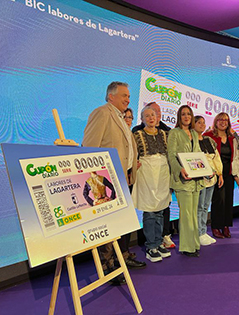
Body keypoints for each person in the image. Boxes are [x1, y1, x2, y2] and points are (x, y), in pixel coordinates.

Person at [82, 81, 146, 285]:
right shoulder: (102, 113)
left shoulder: (120, 117)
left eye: (128, 96)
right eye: (124, 95)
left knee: (120, 224)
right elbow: (89, 147)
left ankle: (122, 258)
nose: (128, 99)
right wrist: (98, 181)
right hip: (107, 181)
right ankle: (107, 266)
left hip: (125, 179)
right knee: (108, 225)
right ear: (111, 96)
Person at [132, 102, 175, 249]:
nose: (151, 118)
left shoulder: (165, 134)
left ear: (157, 118)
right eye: (147, 116)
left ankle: (159, 242)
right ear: (142, 119)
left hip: (162, 175)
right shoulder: (137, 135)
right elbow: (132, 154)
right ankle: (151, 245)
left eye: (153, 115)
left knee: (160, 211)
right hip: (146, 175)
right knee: (150, 212)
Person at [167, 105, 204, 257]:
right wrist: (179, 170)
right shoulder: (174, 133)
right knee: (186, 214)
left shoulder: (194, 133)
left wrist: (205, 170)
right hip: (183, 179)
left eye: (189, 114)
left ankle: (194, 244)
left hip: (195, 180)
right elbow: (171, 155)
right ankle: (187, 247)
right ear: (179, 116)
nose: (186, 116)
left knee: (193, 213)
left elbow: (197, 155)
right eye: (183, 114)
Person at [204, 113, 235, 238]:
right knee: (219, 200)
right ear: (216, 121)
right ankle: (216, 226)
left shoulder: (232, 137)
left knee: (228, 200)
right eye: (220, 120)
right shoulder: (208, 136)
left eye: (226, 120)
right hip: (216, 173)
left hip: (229, 173)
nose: (223, 122)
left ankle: (226, 226)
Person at [193, 116, 223, 246]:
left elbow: (216, 158)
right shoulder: (191, 141)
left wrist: (219, 174)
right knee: (199, 207)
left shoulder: (209, 140)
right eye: (198, 122)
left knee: (205, 206)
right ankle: (198, 233)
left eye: (203, 122)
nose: (202, 124)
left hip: (212, 178)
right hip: (200, 179)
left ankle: (203, 231)